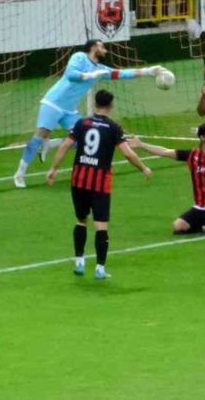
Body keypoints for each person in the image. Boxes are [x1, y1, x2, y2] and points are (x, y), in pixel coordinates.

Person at [13, 40, 163, 187]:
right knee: (39, 136)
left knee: (83, 140)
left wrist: (149, 71)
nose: (105, 49)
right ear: (93, 47)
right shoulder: (79, 57)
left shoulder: (101, 69)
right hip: (53, 103)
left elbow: (122, 73)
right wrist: (89, 75)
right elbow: (70, 74)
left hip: (70, 111)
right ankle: (19, 174)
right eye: (102, 46)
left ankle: (51, 144)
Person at [46, 90, 153, 280]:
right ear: (111, 105)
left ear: (95, 104)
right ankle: (100, 268)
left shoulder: (82, 123)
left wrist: (53, 169)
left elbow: (64, 146)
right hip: (99, 183)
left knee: (81, 221)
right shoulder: (113, 127)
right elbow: (128, 153)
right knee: (101, 226)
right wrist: (143, 168)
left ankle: (79, 261)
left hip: (79, 179)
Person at [129, 123, 205, 237]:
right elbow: (164, 151)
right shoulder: (192, 155)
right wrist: (140, 144)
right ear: (202, 137)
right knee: (177, 227)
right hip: (201, 206)